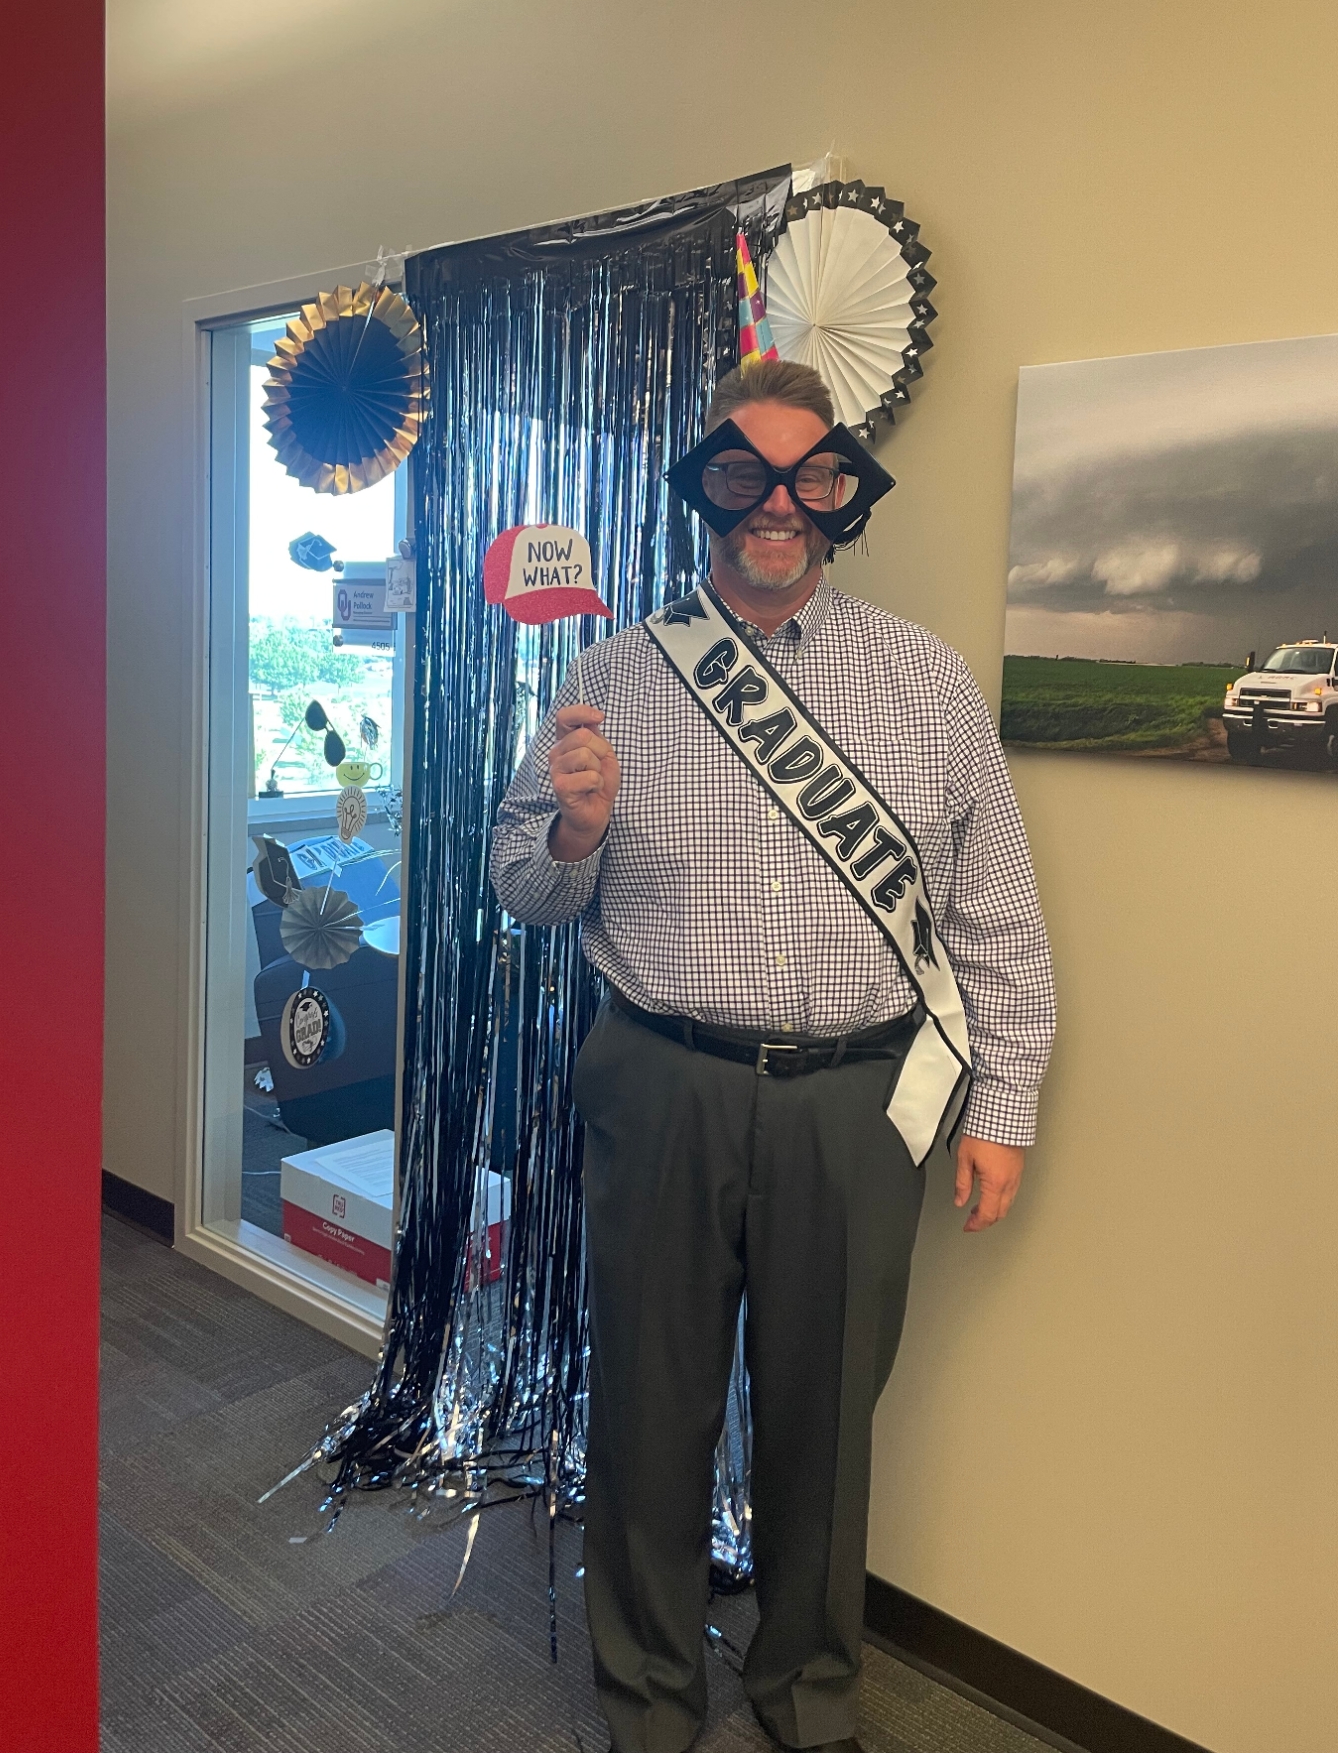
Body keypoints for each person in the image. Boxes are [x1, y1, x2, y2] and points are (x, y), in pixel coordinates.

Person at [491, 357, 1055, 1753]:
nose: (778, 510)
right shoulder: (609, 675)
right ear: (708, 491)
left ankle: (807, 1688)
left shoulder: (926, 680)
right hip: (661, 1081)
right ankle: (649, 1698)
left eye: (811, 479)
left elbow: (995, 916)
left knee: (825, 1420)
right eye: (747, 476)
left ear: (845, 497)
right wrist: (572, 829)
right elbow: (521, 886)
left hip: (859, 1103)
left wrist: (1007, 1105)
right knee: (649, 1407)